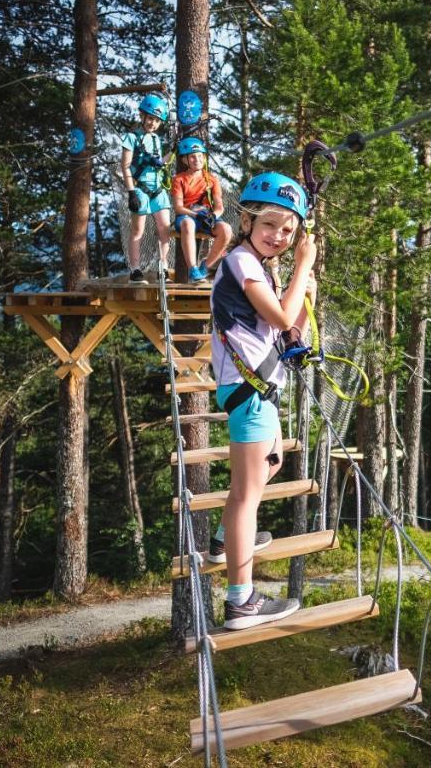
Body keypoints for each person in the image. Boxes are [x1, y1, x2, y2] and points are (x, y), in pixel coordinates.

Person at [208, 172, 317, 630]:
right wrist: (304, 267)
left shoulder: (262, 269)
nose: (280, 236)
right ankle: (241, 602)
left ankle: (221, 542)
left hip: (258, 389)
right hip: (249, 391)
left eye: (289, 231)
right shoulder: (241, 262)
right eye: (271, 224)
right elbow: (280, 314)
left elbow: (290, 329)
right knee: (245, 496)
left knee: (269, 464)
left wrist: (304, 296)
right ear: (248, 220)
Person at [121, 93, 173, 283]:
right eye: (150, 118)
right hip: (140, 189)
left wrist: (172, 152)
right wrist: (131, 192)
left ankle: (163, 267)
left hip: (158, 189)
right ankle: (135, 270)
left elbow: (159, 163)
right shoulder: (131, 137)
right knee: (138, 231)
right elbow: (125, 165)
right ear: (143, 116)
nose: (153, 123)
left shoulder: (156, 140)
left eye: (157, 120)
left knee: (164, 229)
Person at [170, 137, 232, 284]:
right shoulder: (179, 179)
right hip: (187, 215)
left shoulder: (212, 180)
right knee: (188, 225)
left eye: (199, 156)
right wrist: (196, 215)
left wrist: (213, 216)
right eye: (192, 156)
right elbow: (178, 207)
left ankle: (206, 266)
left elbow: (219, 207)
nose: (196, 159)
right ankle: (193, 268)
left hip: (207, 216)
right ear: (185, 160)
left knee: (226, 229)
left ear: (204, 158)